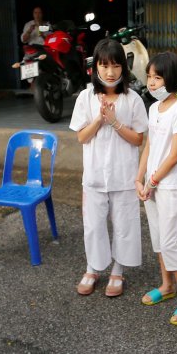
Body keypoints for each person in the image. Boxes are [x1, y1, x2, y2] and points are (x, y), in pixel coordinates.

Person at [70, 39, 147, 298]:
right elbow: (81, 137)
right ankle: (93, 268)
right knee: (93, 224)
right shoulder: (85, 97)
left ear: (123, 68)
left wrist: (114, 122)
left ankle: (117, 269)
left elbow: (138, 139)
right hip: (93, 176)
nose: (110, 72)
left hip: (123, 175)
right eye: (104, 65)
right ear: (96, 68)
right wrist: (100, 120)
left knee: (124, 223)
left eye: (115, 65)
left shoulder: (132, 98)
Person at [137, 51, 177, 325]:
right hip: (151, 184)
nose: (151, 83)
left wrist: (151, 181)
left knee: (170, 242)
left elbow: (173, 156)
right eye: (149, 77)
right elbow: (149, 146)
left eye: (157, 77)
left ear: (170, 79)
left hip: (169, 185)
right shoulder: (154, 109)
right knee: (158, 237)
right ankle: (167, 286)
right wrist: (139, 178)